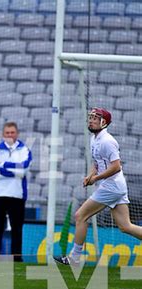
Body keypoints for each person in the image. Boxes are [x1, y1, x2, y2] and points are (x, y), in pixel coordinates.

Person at [54, 108, 142, 265]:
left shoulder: (107, 141)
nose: (91, 120)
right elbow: (97, 162)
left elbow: (116, 167)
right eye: (91, 117)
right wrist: (90, 175)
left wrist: (96, 179)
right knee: (125, 226)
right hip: (115, 186)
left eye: (95, 118)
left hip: (111, 186)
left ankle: (74, 258)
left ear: (104, 122)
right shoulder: (94, 139)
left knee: (80, 216)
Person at [0, 122, 32, 261]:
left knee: (17, 229)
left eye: (12, 132)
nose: (10, 135)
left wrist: (5, 166)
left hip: (17, 195)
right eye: (7, 133)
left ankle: (17, 259)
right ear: (3, 134)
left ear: (17, 133)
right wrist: (14, 171)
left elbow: (24, 168)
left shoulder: (24, 149)